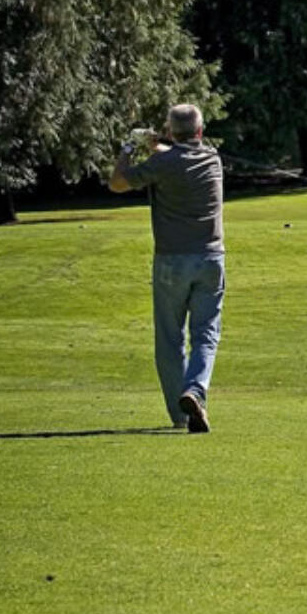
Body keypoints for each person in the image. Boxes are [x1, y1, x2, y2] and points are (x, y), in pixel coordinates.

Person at [109, 103, 225, 433]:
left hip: (171, 261)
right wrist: (157, 143)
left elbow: (117, 182)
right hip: (211, 259)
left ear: (172, 132)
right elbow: (180, 156)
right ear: (200, 132)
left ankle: (183, 415)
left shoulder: (162, 163)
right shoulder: (213, 159)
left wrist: (131, 147)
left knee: (170, 339)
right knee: (206, 335)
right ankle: (195, 391)